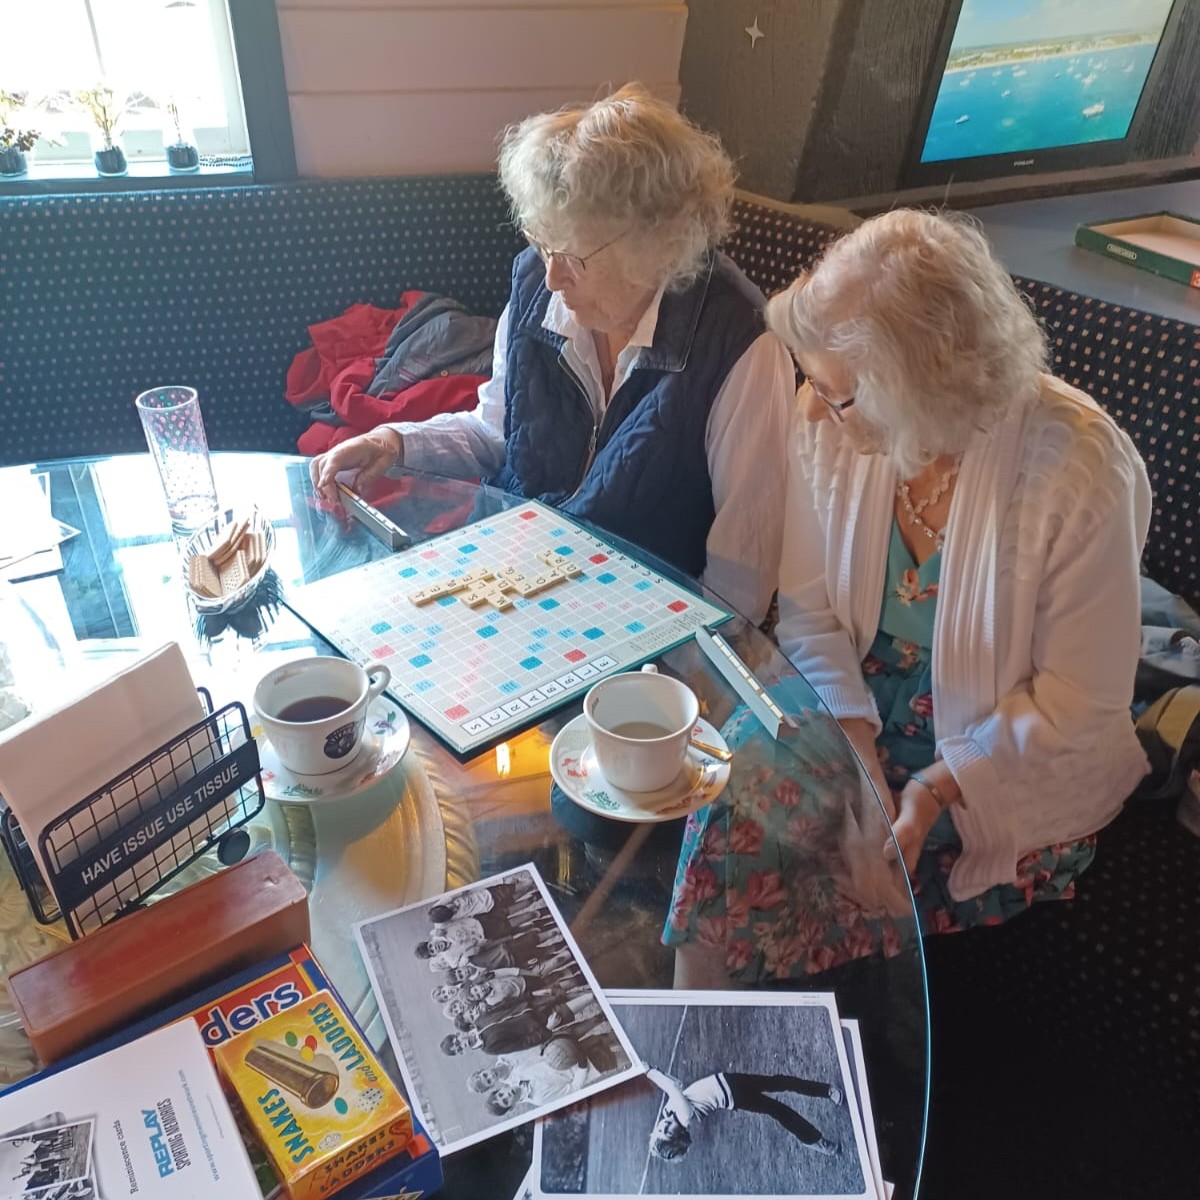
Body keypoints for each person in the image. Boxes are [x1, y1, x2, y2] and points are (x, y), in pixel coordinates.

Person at [666, 208, 1152, 982]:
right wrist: (857, 763)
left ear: (923, 383)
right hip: (855, 697)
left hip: (1004, 750)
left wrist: (924, 796)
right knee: (728, 803)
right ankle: (696, 1073)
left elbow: (1079, 705)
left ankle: (803, 1061)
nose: (818, 414)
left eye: (841, 398)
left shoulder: (1080, 466)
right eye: (814, 388)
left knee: (839, 882)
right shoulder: (828, 421)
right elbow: (811, 610)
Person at [308, 84, 793, 623]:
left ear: (655, 246)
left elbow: (739, 581)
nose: (553, 276)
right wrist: (392, 441)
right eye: (543, 244)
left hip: (641, 620)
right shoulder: (540, 280)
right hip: (522, 584)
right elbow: (498, 431)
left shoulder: (742, 347)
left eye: (574, 256)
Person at [646, 1067, 840, 1159]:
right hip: (734, 1095)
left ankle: (826, 1090)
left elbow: (677, 1083)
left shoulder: (670, 1112)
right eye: (668, 1132)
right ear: (678, 1134)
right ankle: (816, 1141)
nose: (664, 1126)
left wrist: (656, 1070)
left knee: (779, 1082)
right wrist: (649, 1072)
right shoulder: (683, 1115)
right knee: (780, 1110)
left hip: (729, 1080)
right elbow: (672, 1087)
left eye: (660, 1130)